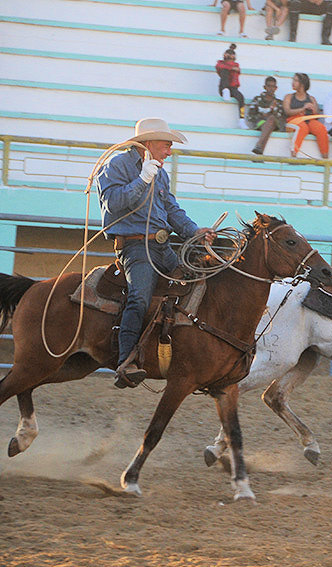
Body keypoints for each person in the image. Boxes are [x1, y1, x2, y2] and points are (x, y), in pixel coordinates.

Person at [96, 118, 215, 388]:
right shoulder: (117, 165)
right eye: (166, 145)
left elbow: (171, 210)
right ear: (148, 143)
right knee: (139, 298)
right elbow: (113, 204)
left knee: (195, 285)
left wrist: (195, 232)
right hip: (135, 247)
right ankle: (126, 361)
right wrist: (142, 180)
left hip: (162, 246)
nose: (169, 152)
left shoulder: (160, 173)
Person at [283, 73, 329, 158]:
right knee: (302, 128)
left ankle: (325, 158)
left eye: (296, 80)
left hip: (308, 120)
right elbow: (287, 112)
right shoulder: (289, 97)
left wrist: (313, 110)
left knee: (321, 129)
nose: (293, 83)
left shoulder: (311, 98)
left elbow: (317, 115)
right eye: (293, 80)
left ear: (302, 84)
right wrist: (302, 109)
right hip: (293, 120)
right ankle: (293, 155)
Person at [247, 76, 286, 155]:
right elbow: (251, 116)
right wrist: (264, 116)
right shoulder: (257, 99)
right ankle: (259, 151)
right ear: (265, 87)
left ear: (276, 88)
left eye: (273, 86)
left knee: (271, 119)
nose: (271, 89)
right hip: (260, 124)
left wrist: (272, 111)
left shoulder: (278, 103)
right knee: (268, 123)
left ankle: (259, 145)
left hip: (275, 125)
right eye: (269, 86)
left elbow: (281, 118)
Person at [215, 44, 248, 129]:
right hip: (223, 87)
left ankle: (241, 119)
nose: (230, 61)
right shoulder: (220, 63)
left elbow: (237, 69)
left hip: (233, 88)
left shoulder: (236, 65)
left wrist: (231, 67)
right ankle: (225, 90)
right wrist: (231, 68)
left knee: (241, 98)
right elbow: (219, 66)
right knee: (224, 71)